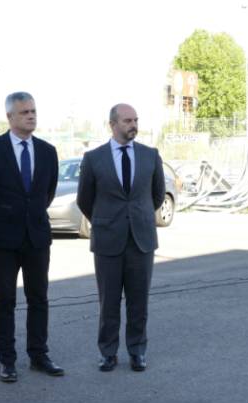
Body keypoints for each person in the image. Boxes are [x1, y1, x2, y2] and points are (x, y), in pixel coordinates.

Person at [0, 92, 64, 382]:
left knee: (39, 298)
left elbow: (47, 192)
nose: (31, 116)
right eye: (24, 112)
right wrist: (3, 216)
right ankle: (7, 359)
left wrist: (30, 215)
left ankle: (39, 355)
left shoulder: (47, 151)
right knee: (5, 299)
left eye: (33, 111)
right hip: (3, 238)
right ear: (10, 117)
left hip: (36, 236)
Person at [77, 104, 165, 373]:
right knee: (109, 302)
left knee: (139, 301)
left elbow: (157, 195)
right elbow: (84, 199)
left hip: (141, 240)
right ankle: (108, 353)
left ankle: (137, 351)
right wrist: (106, 221)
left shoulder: (150, 155)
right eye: (127, 120)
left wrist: (138, 217)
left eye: (136, 120)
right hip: (107, 240)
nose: (133, 125)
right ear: (112, 124)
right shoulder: (94, 158)